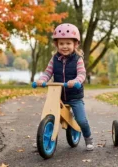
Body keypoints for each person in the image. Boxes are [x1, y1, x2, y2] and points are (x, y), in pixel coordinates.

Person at [36, 23, 94, 151]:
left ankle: (88, 137)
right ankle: (43, 137)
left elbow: (82, 74)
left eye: (68, 43)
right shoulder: (54, 59)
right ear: (57, 44)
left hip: (74, 96)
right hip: (59, 96)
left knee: (81, 120)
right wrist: (41, 80)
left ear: (75, 44)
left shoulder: (78, 59)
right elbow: (48, 73)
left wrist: (76, 81)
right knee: (49, 113)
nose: (65, 46)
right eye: (61, 43)